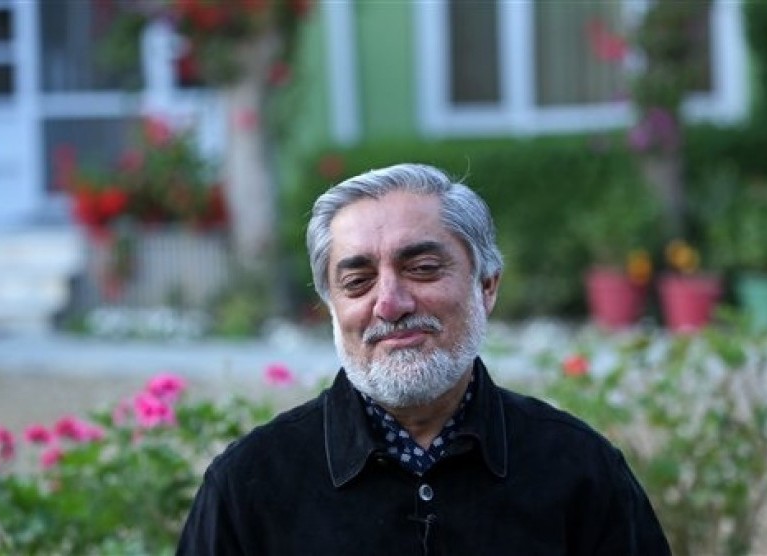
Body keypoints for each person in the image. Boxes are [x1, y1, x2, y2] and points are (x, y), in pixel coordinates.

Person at [177, 163, 671, 555]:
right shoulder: (250, 486)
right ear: (332, 307)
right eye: (357, 281)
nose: (390, 303)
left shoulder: (578, 471)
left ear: (487, 285)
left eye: (423, 268)